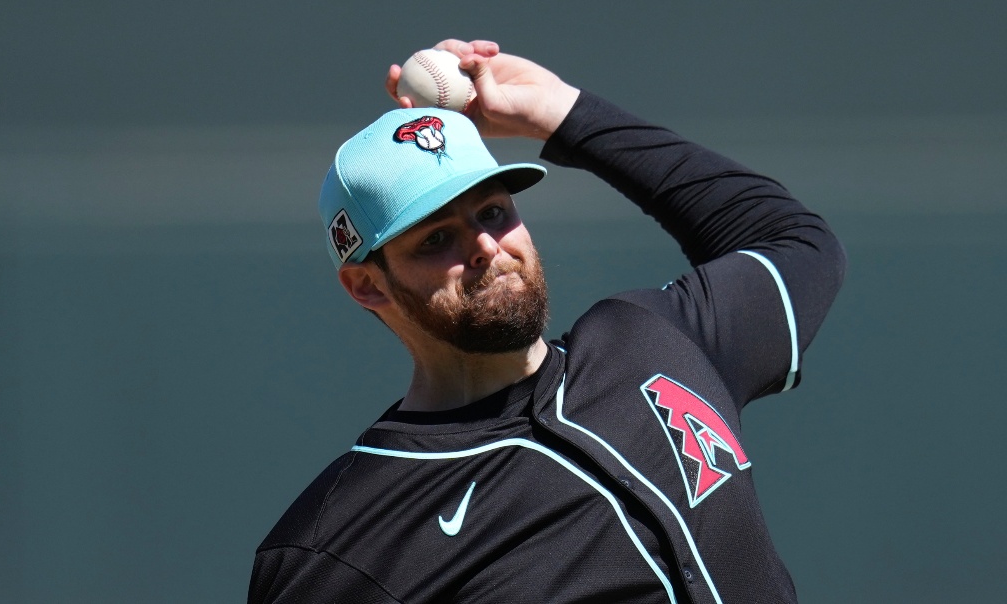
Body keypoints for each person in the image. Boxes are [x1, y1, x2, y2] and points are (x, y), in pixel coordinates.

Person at [248, 38, 846, 603]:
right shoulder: (341, 544)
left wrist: (562, 113)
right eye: (436, 238)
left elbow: (791, 240)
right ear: (367, 285)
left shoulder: (655, 339)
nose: (485, 244)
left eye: (493, 210)